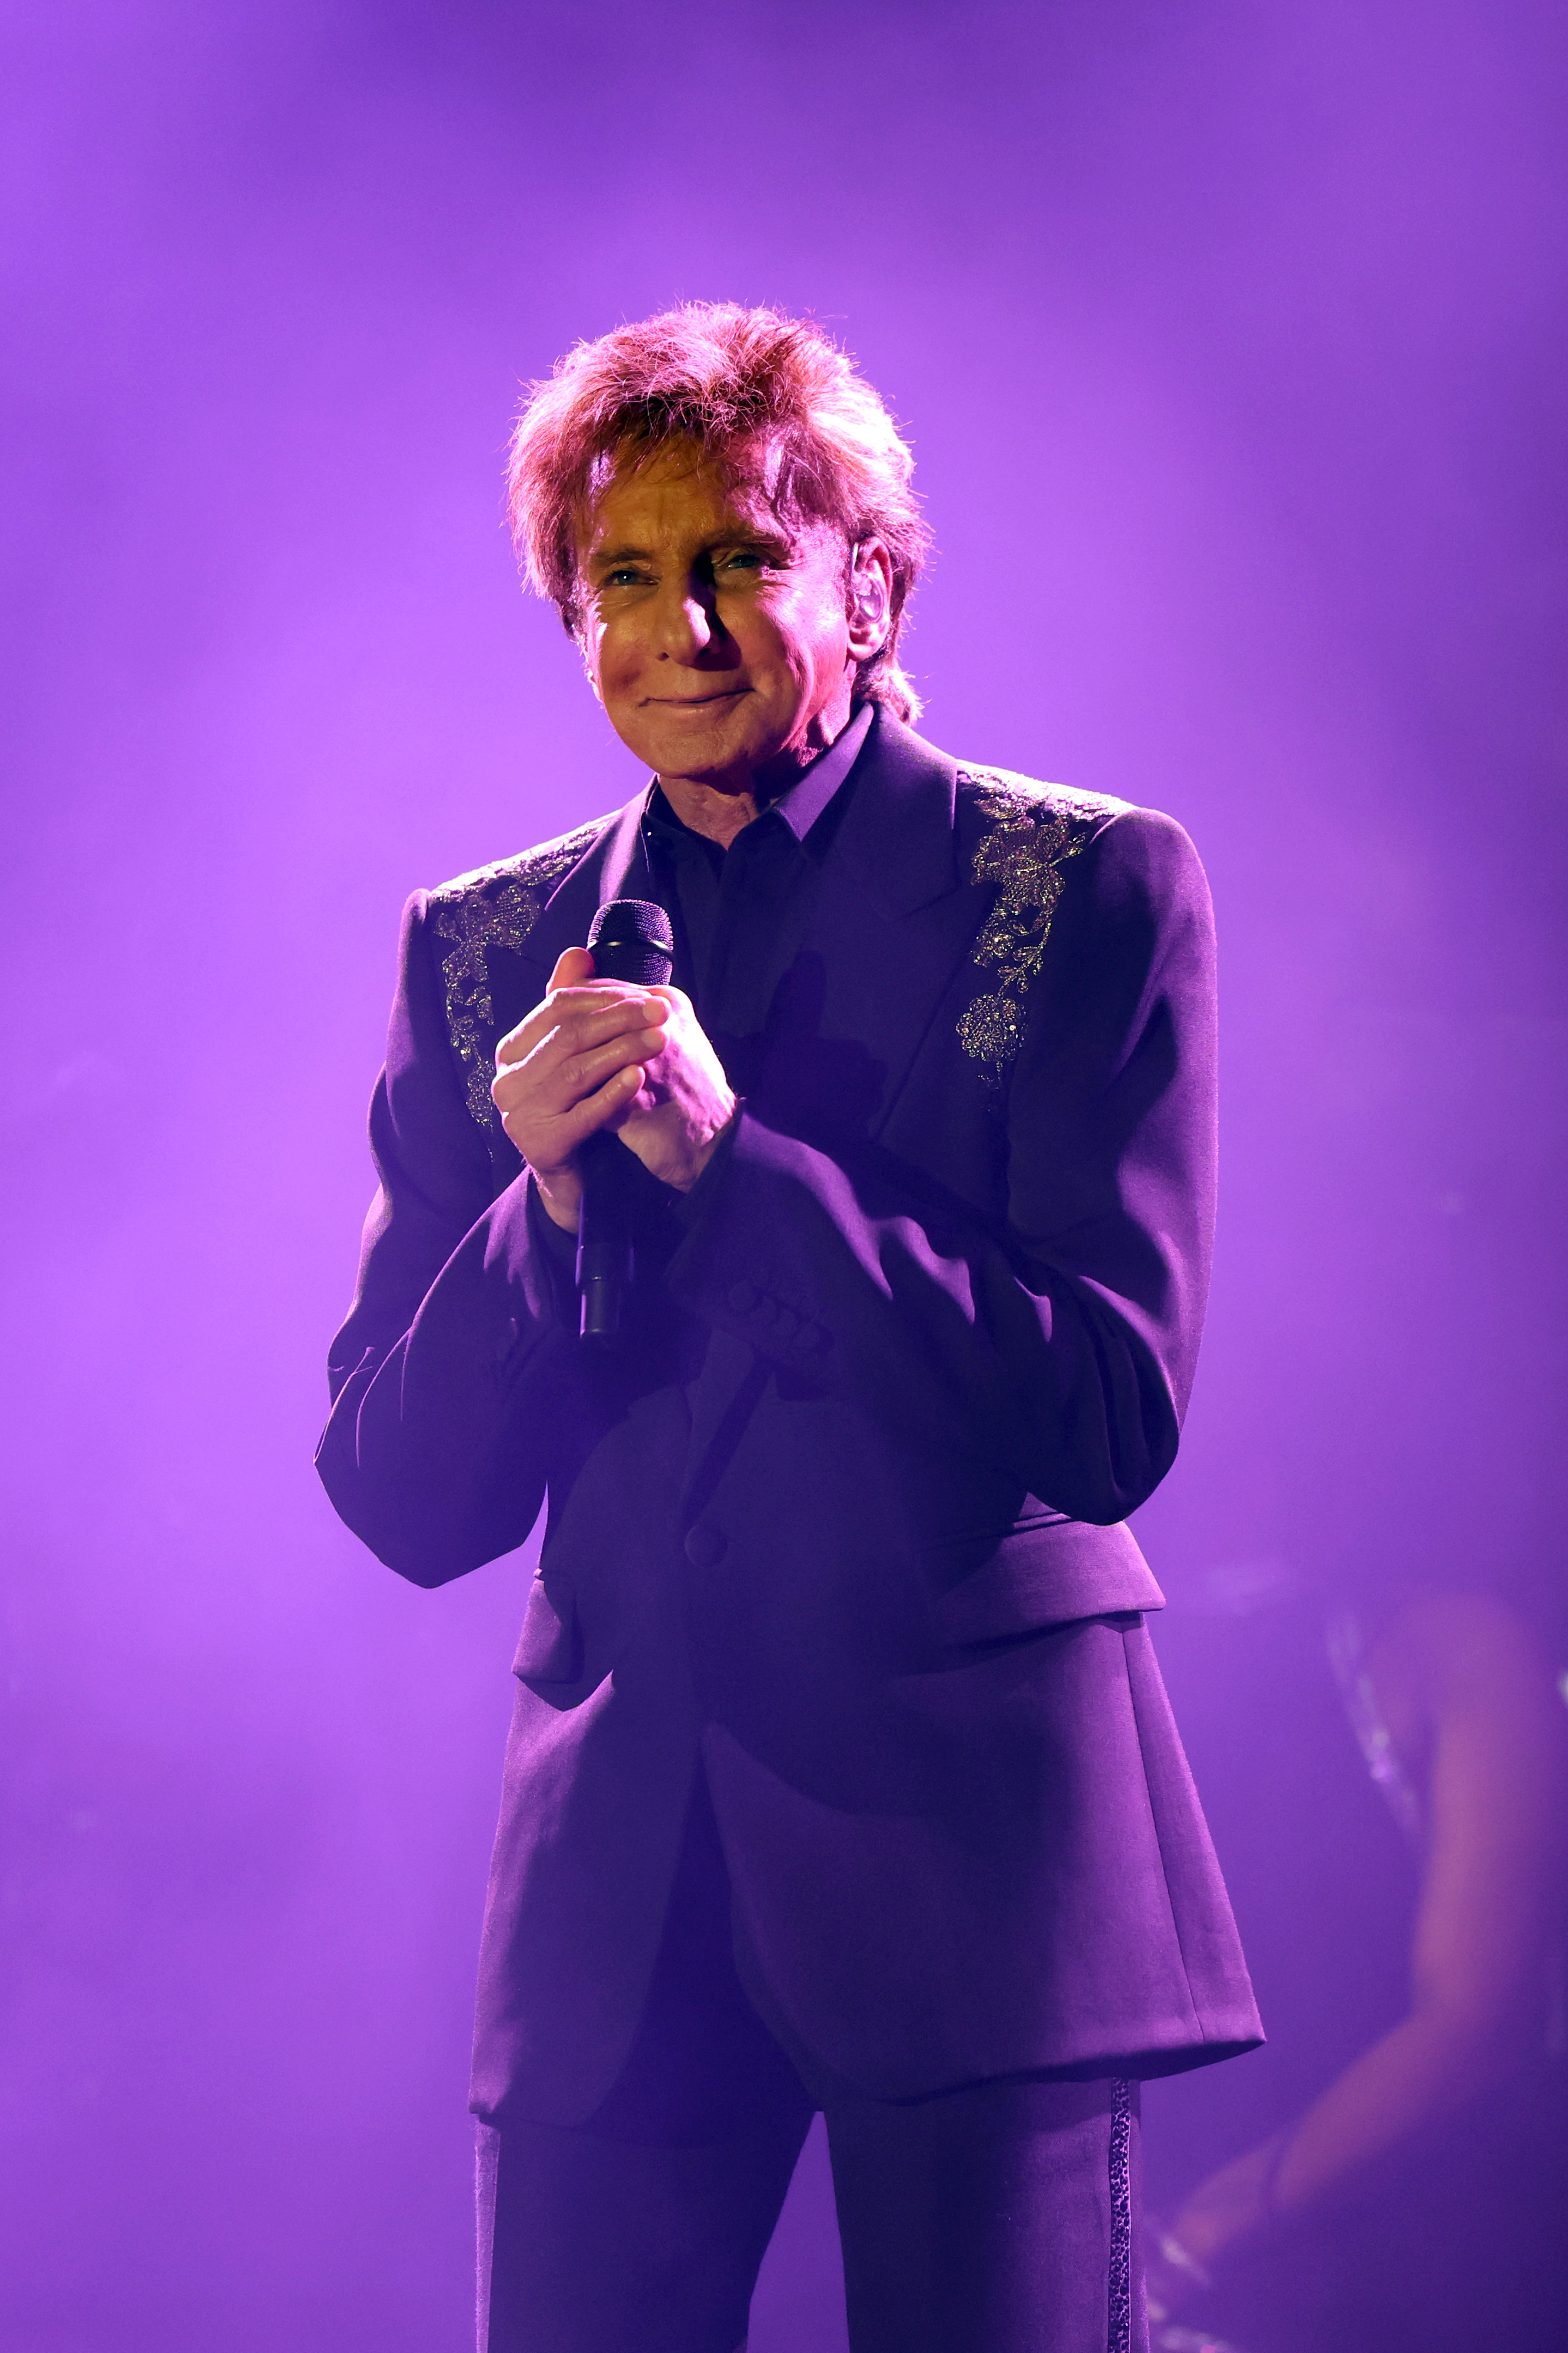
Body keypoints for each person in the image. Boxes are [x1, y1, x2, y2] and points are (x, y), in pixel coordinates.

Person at [317, 302, 1262, 2353]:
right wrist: (549, 1207)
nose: (681, 629)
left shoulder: (1077, 886)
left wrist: (738, 1171)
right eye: (622, 577)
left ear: (870, 585)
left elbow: (1107, 1409)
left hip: (980, 1864)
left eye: (743, 558)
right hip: (613, 1901)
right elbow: (396, 1494)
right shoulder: (485, 947)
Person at [1144, 1577, 1568, 2352]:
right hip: (1170, 2246)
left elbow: (1475, 2022)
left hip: (1411, 2256)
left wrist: (1193, 2239)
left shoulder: (1450, 1645)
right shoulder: (1125, 1652)